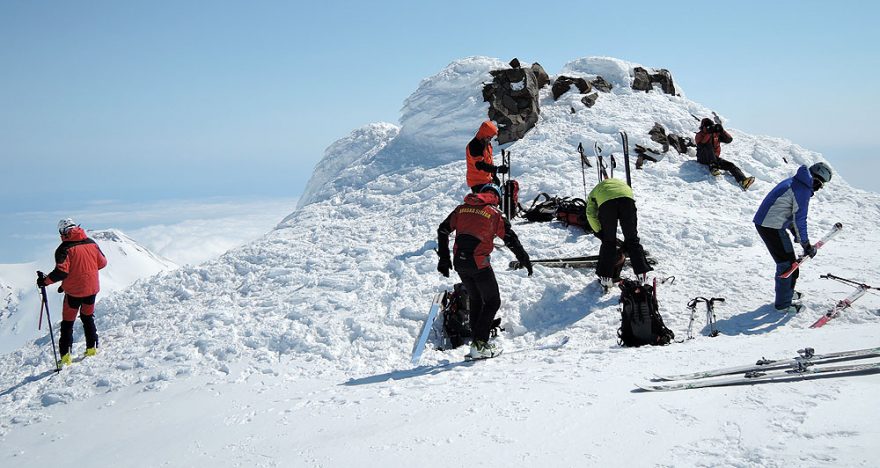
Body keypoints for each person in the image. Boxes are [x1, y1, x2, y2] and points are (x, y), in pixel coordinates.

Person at [437, 184, 531, 359]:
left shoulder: (462, 208)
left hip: (460, 263)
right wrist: (524, 258)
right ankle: (480, 345)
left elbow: (443, 229)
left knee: (476, 300)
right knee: (492, 302)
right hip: (479, 264)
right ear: (496, 197)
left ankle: (477, 344)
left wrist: (443, 258)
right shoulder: (494, 213)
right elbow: (510, 238)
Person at [753, 163, 832, 313]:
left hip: (770, 224)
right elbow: (799, 219)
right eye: (820, 184)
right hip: (771, 226)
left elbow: (787, 213)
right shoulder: (801, 189)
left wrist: (799, 238)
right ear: (815, 179)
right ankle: (783, 304)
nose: (819, 188)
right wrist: (806, 244)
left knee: (789, 263)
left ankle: (787, 292)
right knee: (788, 266)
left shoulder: (796, 182)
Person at [37, 218, 107, 366]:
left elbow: (61, 272)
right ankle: (91, 349)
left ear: (63, 232)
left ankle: (65, 357)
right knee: (88, 317)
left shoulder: (64, 249)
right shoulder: (91, 243)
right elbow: (102, 263)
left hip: (74, 293)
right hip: (92, 289)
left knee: (67, 324)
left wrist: (45, 281)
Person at [586, 177, 653, 290]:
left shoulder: (594, 192)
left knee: (609, 242)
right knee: (632, 239)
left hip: (607, 204)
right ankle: (642, 276)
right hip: (627, 198)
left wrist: (599, 232)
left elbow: (590, 214)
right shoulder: (620, 183)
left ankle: (606, 279)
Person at [695, 117, 755, 190]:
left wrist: (722, 131)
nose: (709, 128)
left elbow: (729, 140)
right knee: (708, 145)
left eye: (711, 126)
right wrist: (709, 133)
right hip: (703, 158)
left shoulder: (715, 135)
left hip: (714, 158)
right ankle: (713, 168)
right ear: (703, 127)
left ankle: (743, 181)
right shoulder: (699, 135)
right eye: (707, 127)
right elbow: (701, 145)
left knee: (730, 165)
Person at [466, 120, 508, 193]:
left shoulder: (486, 144)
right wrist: (497, 169)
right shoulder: (474, 146)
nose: (490, 139)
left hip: (486, 180)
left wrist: (493, 175)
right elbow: (480, 165)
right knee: (485, 202)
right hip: (477, 183)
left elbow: (489, 161)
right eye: (489, 137)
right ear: (484, 134)